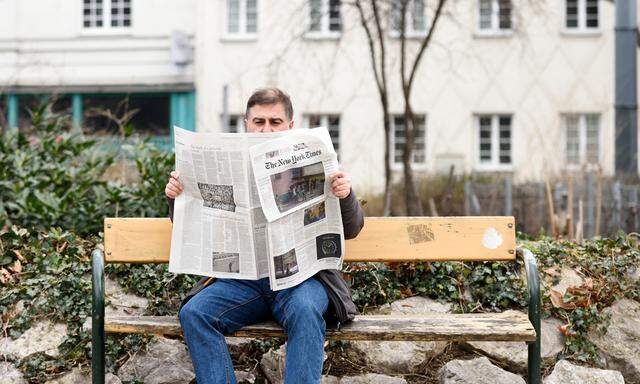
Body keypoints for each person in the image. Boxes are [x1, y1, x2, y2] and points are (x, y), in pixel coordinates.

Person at [164, 88, 364, 384]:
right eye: (259, 122)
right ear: (246, 123)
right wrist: (176, 197)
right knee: (196, 313)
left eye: (275, 121)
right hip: (244, 282)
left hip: (301, 280)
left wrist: (345, 196)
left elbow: (352, 228)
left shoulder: (315, 160)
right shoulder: (228, 162)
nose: (266, 129)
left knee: (307, 311)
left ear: (290, 126)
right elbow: (193, 224)